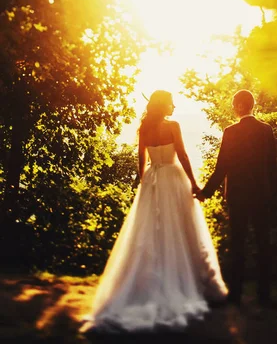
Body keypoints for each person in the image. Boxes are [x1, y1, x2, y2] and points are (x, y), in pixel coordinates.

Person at [81, 90, 227, 333]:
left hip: (152, 179)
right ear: (164, 104)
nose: (174, 106)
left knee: (151, 231)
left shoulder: (145, 129)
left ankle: (148, 282)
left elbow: (141, 157)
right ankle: (185, 282)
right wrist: (193, 182)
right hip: (173, 177)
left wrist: (144, 182)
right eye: (171, 102)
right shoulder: (173, 126)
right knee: (181, 228)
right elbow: (182, 155)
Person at [196, 90, 276, 307]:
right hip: (261, 194)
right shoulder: (266, 130)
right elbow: (272, 165)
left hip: (238, 195)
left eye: (234, 104)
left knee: (238, 243)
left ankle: (236, 294)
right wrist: (271, 191)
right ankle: (264, 294)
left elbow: (222, 166)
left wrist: (206, 192)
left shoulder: (231, 132)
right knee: (263, 243)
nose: (233, 107)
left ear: (241, 106)